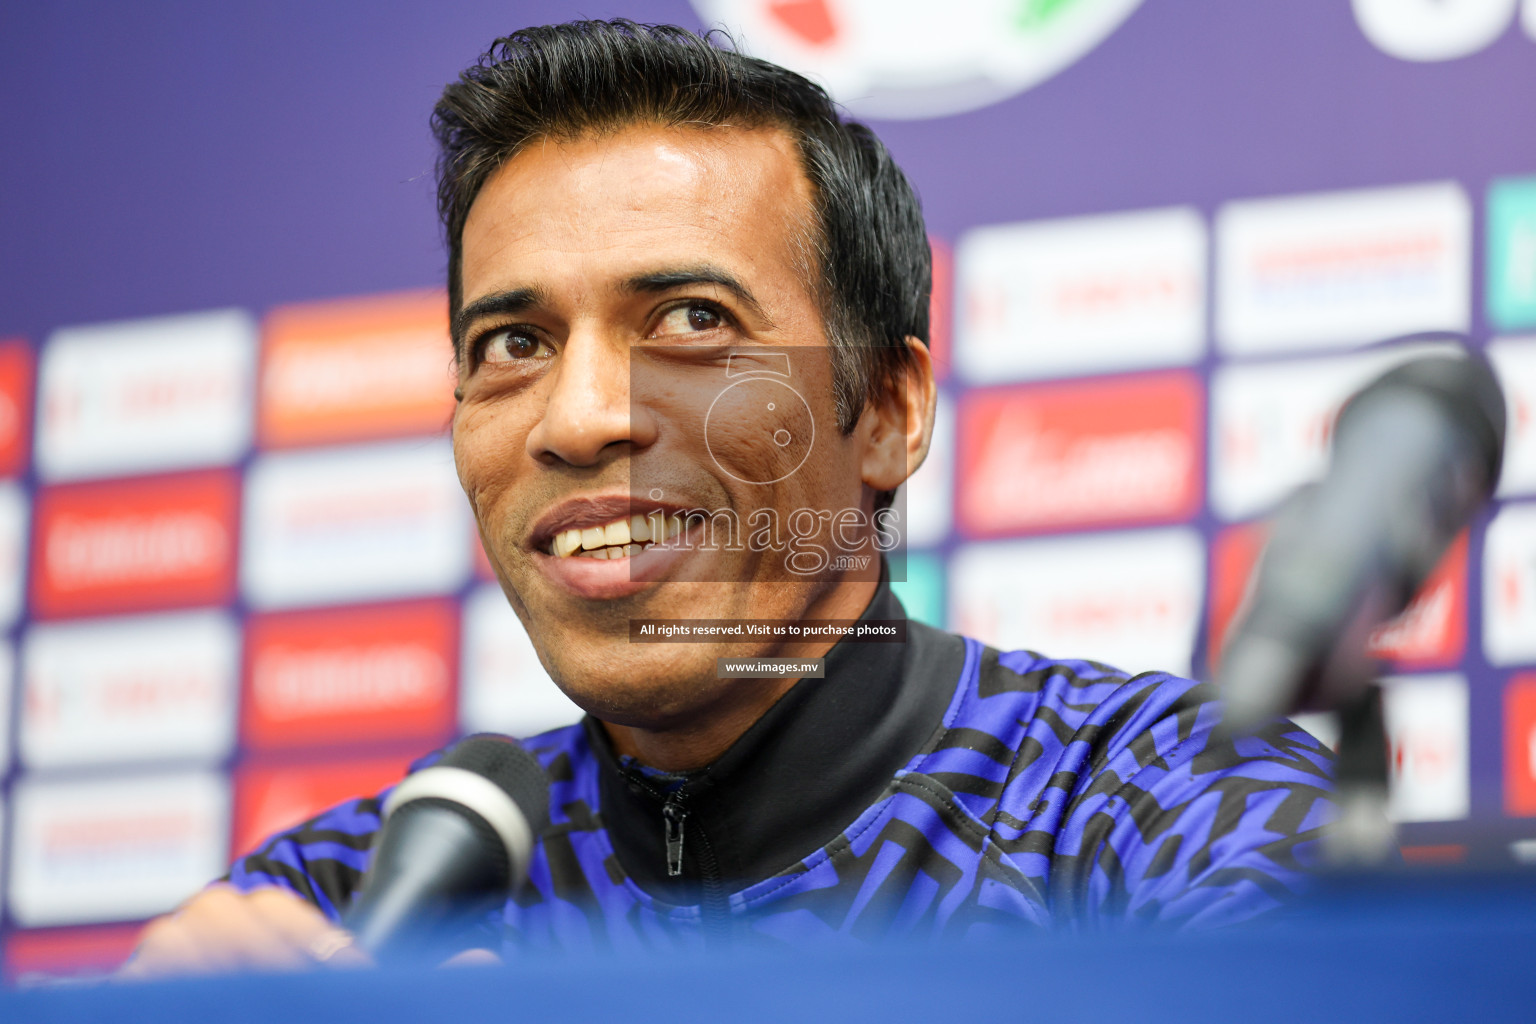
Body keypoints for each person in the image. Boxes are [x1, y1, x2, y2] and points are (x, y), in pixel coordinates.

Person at [125, 20, 1333, 974]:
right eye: (511, 343)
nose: (581, 416)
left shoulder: (1154, 806)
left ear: (889, 412)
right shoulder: (350, 902)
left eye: (693, 322)